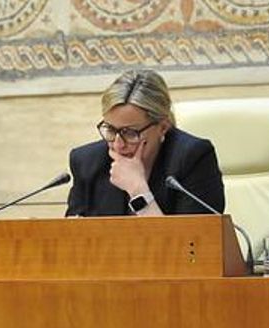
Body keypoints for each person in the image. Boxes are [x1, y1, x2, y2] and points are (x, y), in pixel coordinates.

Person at [66, 69, 225, 217]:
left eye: (130, 133)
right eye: (111, 130)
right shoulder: (87, 162)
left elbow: (193, 244)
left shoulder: (192, 157)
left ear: (162, 127)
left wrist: (138, 191)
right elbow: (72, 237)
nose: (118, 144)